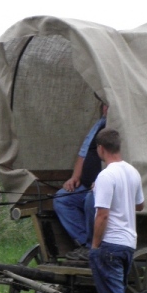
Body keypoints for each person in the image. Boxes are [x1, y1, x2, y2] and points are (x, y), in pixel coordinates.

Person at [88, 128, 147, 293]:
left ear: (100, 149)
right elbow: (140, 205)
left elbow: (102, 215)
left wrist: (95, 246)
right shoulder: (132, 172)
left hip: (110, 245)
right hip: (128, 244)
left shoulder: (106, 175)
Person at [54, 102, 107, 260]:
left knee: (92, 200)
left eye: (109, 105)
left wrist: (103, 182)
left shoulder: (120, 128)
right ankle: (85, 244)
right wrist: (75, 176)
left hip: (105, 189)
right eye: (104, 105)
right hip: (85, 185)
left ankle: (94, 245)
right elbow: (83, 152)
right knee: (62, 199)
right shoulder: (99, 125)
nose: (105, 109)